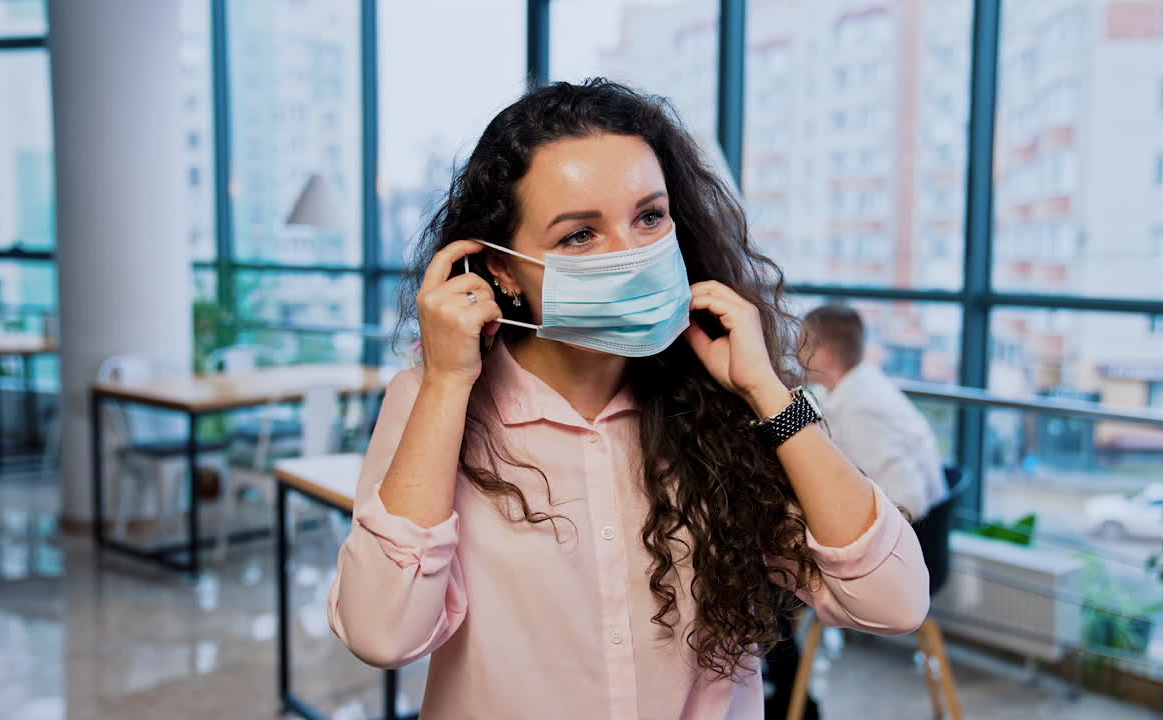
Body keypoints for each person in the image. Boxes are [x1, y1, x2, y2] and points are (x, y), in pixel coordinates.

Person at [328, 79, 928, 719]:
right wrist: (448, 384)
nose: (632, 255)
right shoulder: (433, 401)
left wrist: (769, 395)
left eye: (648, 217)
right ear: (501, 269)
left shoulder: (723, 403)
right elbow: (382, 633)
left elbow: (894, 601)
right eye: (579, 235)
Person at [798, 305, 948, 522]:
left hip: (908, 531)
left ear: (825, 355)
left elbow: (909, 502)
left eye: (801, 346)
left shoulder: (861, 410)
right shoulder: (851, 385)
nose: (796, 355)